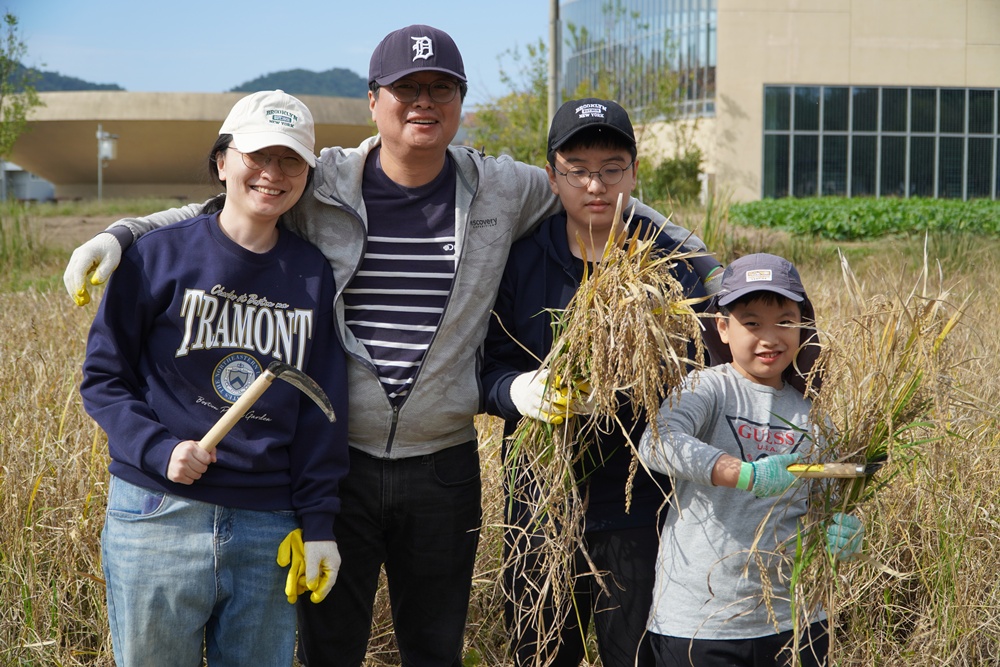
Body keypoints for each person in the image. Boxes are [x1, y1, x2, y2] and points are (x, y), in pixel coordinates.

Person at [63, 25, 717, 667]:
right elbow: (232, 200)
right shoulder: (325, 180)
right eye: (406, 88)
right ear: (374, 99)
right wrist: (123, 235)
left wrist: (709, 265)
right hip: (338, 460)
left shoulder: (503, 187)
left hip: (442, 468)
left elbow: (602, 194)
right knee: (330, 647)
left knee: (433, 647)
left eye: (441, 88)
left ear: (461, 103)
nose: (423, 103)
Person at [79, 90, 350, 667]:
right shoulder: (155, 257)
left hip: (269, 526)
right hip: (158, 513)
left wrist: (319, 523)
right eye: (258, 156)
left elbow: (322, 414)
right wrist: (158, 448)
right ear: (222, 161)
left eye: (291, 161)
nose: (273, 174)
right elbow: (103, 379)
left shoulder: (311, 274)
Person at [481, 97, 715, 667]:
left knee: (636, 653)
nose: (596, 184)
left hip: (641, 500)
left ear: (635, 173)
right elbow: (482, 367)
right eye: (577, 168)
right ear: (551, 177)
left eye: (612, 167)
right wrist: (519, 391)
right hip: (540, 497)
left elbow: (718, 371)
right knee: (540, 652)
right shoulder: (520, 261)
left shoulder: (674, 264)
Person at [637, 253, 864, 667]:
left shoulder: (812, 413)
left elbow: (829, 495)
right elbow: (657, 442)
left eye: (785, 321)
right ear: (722, 328)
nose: (770, 337)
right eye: (752, 322)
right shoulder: (705, 388)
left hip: (795, 620)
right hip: (701, 623)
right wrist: (742, 473)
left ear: (803, 327)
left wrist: (842, 528)